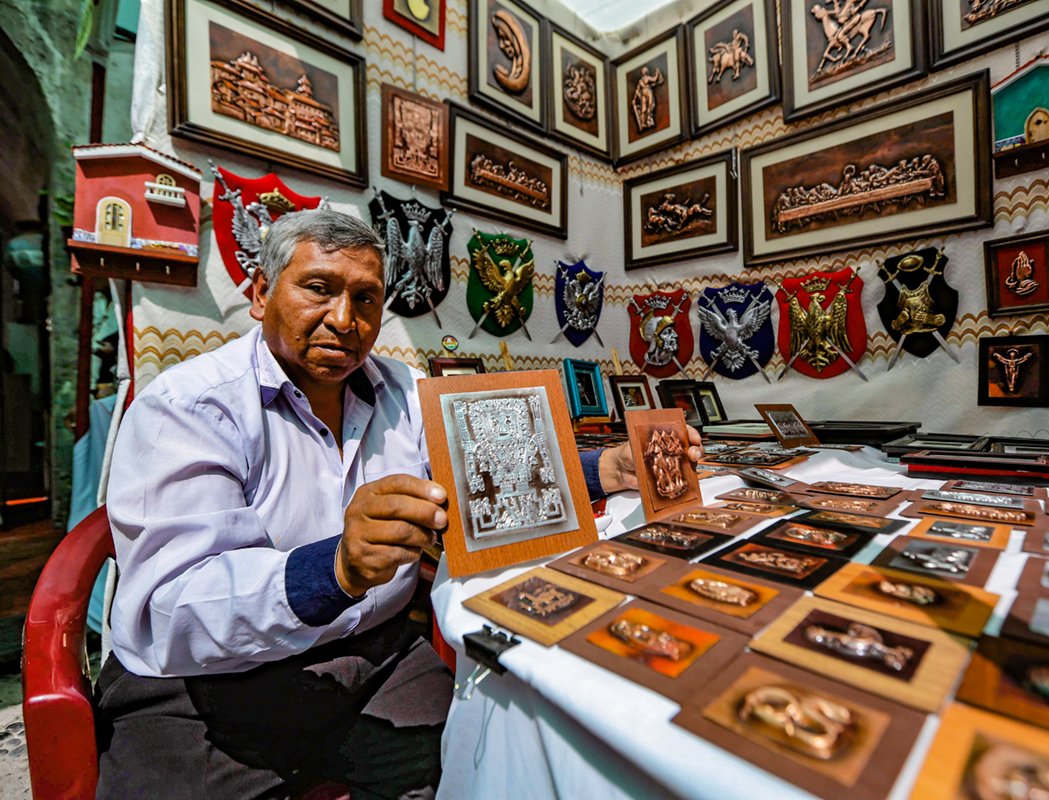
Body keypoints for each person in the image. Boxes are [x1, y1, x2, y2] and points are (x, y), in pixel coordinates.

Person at [95, 209, 699, 798]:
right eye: (318, 289)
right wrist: (337, 568)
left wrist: (607, 468)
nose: (344, 319)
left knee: (481, 760)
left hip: (376, 661)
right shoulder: (190, 407)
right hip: (209, 686)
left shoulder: (406, 392)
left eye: (365, 299)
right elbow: (174, 608)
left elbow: (493, 473)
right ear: (260, 294)